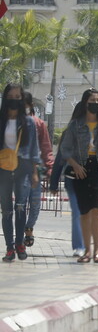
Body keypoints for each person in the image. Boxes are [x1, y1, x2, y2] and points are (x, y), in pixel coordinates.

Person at [60, 89, 98, 263]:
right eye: (93, 100)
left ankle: (97, 250)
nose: (96, 104)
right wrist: (75, 165)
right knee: (84, 212)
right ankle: (87, 250)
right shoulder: (75, 125)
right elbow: (65, 149)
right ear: (86, 103)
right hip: (81, 169)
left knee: (96, 210)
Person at [1, 84, 40, 262]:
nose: (14, 99)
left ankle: (20, 244)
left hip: (23, 167)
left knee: (20, 207)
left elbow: (34, 149)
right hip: (3, 168)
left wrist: (34, 172)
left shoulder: (29, 122)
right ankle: (9, 247)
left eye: (18, 96)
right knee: (7, 210)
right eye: (11, 96)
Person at [49, 104, 86, 257]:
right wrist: (54, 182)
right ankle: (79, 246)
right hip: (72, 178)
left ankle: (88, 246)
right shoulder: (69, 132)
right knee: (77, 212)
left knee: (89, 213)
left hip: (92, 179)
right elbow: (60, 159)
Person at [23, 92, 54, 247]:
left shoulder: (39, 124)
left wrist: (50, 167)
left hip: (35, 171)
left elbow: (46, 147)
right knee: (20, 204)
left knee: (35, 203)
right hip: (18, 171)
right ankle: (20, 235)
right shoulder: (11, 123)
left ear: (31, 106)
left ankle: (29, 228)